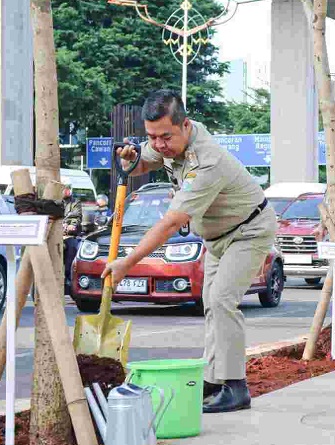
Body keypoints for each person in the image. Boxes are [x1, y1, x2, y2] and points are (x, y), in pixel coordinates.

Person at [102, 89, 275, 413]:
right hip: (216, 237)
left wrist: (128, 261)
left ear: (185, 126)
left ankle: (236, 387)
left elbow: (172, 223)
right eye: (151, 137)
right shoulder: (167, 143)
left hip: (249, 230)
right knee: (211, 302)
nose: (158, 144)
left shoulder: (206, 162)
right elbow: (143, 162)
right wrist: (132, 158)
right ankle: (214, 378)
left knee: (222, 299)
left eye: (164, 136)